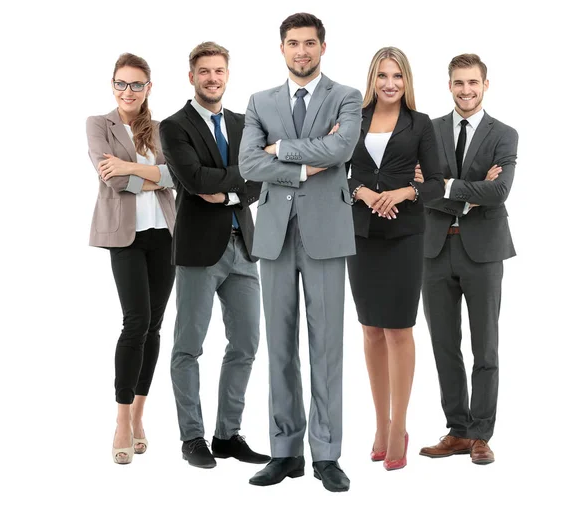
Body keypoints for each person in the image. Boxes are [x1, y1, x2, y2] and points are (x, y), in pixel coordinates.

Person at [239, 12, 362, 493]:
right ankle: (284, 451)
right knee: (281, 347)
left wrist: (281, 150)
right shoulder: (259, 100)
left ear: (323, 47)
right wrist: (304, 165)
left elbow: (342, 147)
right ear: (282, 48)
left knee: (327, 346)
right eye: (293, 43)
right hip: (273, 234)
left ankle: (326, 454)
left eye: (310, 43)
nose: (302, 51)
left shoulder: (347, 97)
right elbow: (250, 162)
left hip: (328, 233)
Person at [159, 42, 269, 470]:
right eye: (204, 71)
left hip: (244, 248)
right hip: (199, 252)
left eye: (219, 71)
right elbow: (191, 177)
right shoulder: (175, 126)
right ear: (191, 77)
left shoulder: (245, 124)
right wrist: (241, 180)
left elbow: (261, 180)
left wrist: (223, 190)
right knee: (188, 346)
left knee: (245, 344)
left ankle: (227, 434)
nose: (212, 78)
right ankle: (192, 437)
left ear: (227, 74)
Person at [346, 47, 444, 471]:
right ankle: (381, 424)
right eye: (383, 75)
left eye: (397, 76)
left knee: (399, 330)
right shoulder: (353, 119)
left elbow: (437, 183)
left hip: (404, 234)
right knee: (370, 329)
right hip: (361, 234)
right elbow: (337, 170)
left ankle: (401, 424)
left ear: (406, 81)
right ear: (373, 78)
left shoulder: (420, 124)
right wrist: (363, 192)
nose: (389, 83)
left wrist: (403, 193)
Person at [418, 53, 518, 465]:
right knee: (444, 345)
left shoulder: (504, 134)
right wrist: (467, 194)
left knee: (485, 348)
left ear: (485, 85)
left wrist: (445, 186)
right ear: (449, 86)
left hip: (484, 253)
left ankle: (481, 435)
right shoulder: (428, 130)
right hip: (434, 250)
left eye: (472, 83)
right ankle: (457, 431)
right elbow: (419, 189)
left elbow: (500, 193)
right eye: (458, 83)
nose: (466, 90)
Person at [86, 53, 176, 464]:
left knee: (154, 326)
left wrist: (145, 171)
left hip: (166, 235)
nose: (128, 91)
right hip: (125, 237)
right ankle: (121, 419)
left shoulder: (160, 129)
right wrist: (148, 174)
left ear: (148, 88)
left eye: (136, 84)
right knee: (135, 321)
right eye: (121, 83)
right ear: (113, 85)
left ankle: (140, 414)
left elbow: (177, 177)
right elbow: (114, 178)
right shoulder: (98, 125)